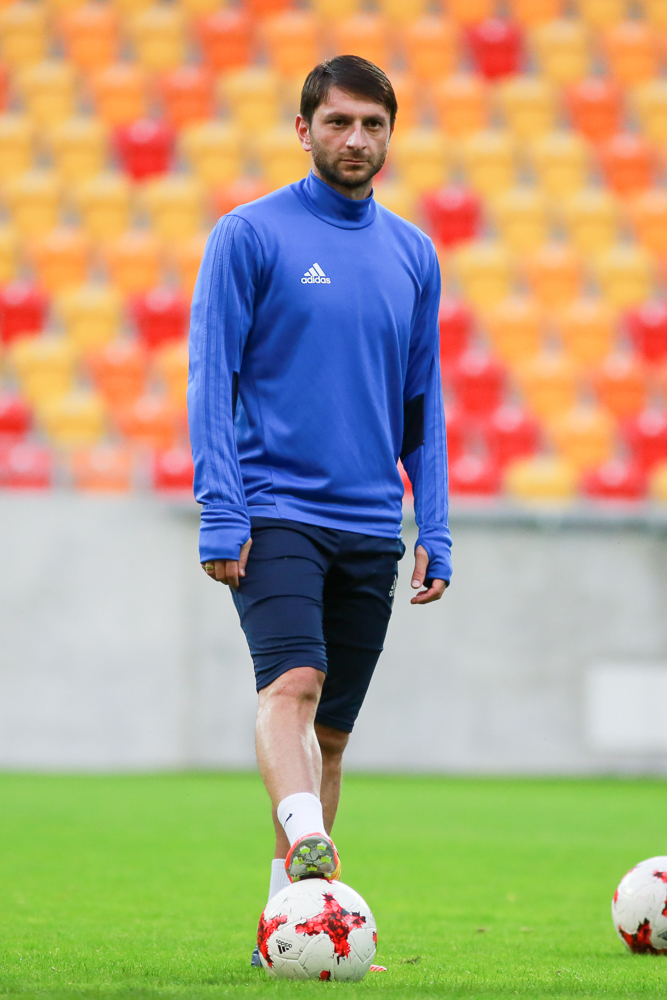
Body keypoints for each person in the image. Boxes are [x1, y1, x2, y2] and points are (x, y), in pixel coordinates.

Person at [188, 55, 451, 964]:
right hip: (275, 510)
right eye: (338, 122)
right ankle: (310, 840)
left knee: (329, 735)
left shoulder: (413, 254)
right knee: (291, 688)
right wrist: (221, 510)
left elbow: (423, 406)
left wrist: (433, 526)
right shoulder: (248, 235)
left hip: (372, 524)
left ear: (389, 134)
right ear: (303, 130)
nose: (355, 139)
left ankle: (284, 928)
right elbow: (210, 378)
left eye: (372, 124)